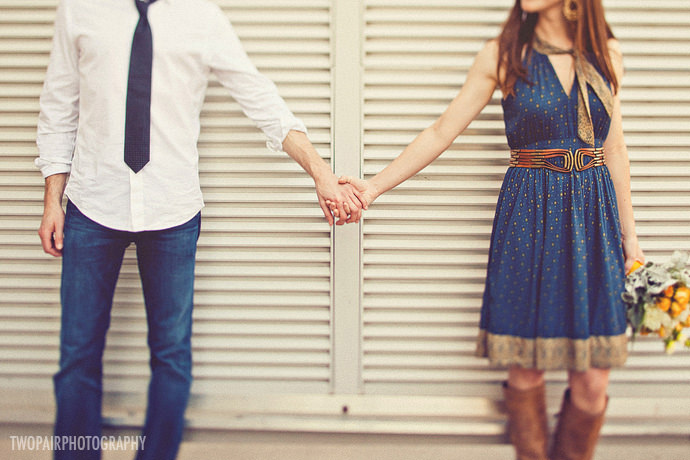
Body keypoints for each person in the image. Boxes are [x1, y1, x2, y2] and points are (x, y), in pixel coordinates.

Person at [36, 0, 362, 459]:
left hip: (172, 209)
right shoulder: (79, 10)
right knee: (77, 355)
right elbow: (59, 105)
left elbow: (259, 96)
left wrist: (321, 172)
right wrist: (52, 199)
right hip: (93, 205)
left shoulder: (202, 16)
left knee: (171, 355)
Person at [331, 0, 644, 458]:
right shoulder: (503, 54)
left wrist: (630, 240)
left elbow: (614, 149)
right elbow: (442, 131)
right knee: (526, 368)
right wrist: (374, 187)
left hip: (593, 219)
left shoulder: (606, 54)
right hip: (530, 214)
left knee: (593, 379)